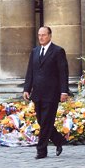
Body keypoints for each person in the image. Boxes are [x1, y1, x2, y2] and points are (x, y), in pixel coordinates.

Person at [23, 26, 69, 159]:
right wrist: (27, 88)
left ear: (49, 36)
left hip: (52, 93)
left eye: (43, 35)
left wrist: (64, 91)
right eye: (39, 35)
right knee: (42, 121)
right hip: (37, 92)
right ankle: (58, 140)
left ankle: (41, 150)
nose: (41, 37)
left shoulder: (58, 51)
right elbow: (30, 71)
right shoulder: (35, 51)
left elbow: (63, 73)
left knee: (47, 121)